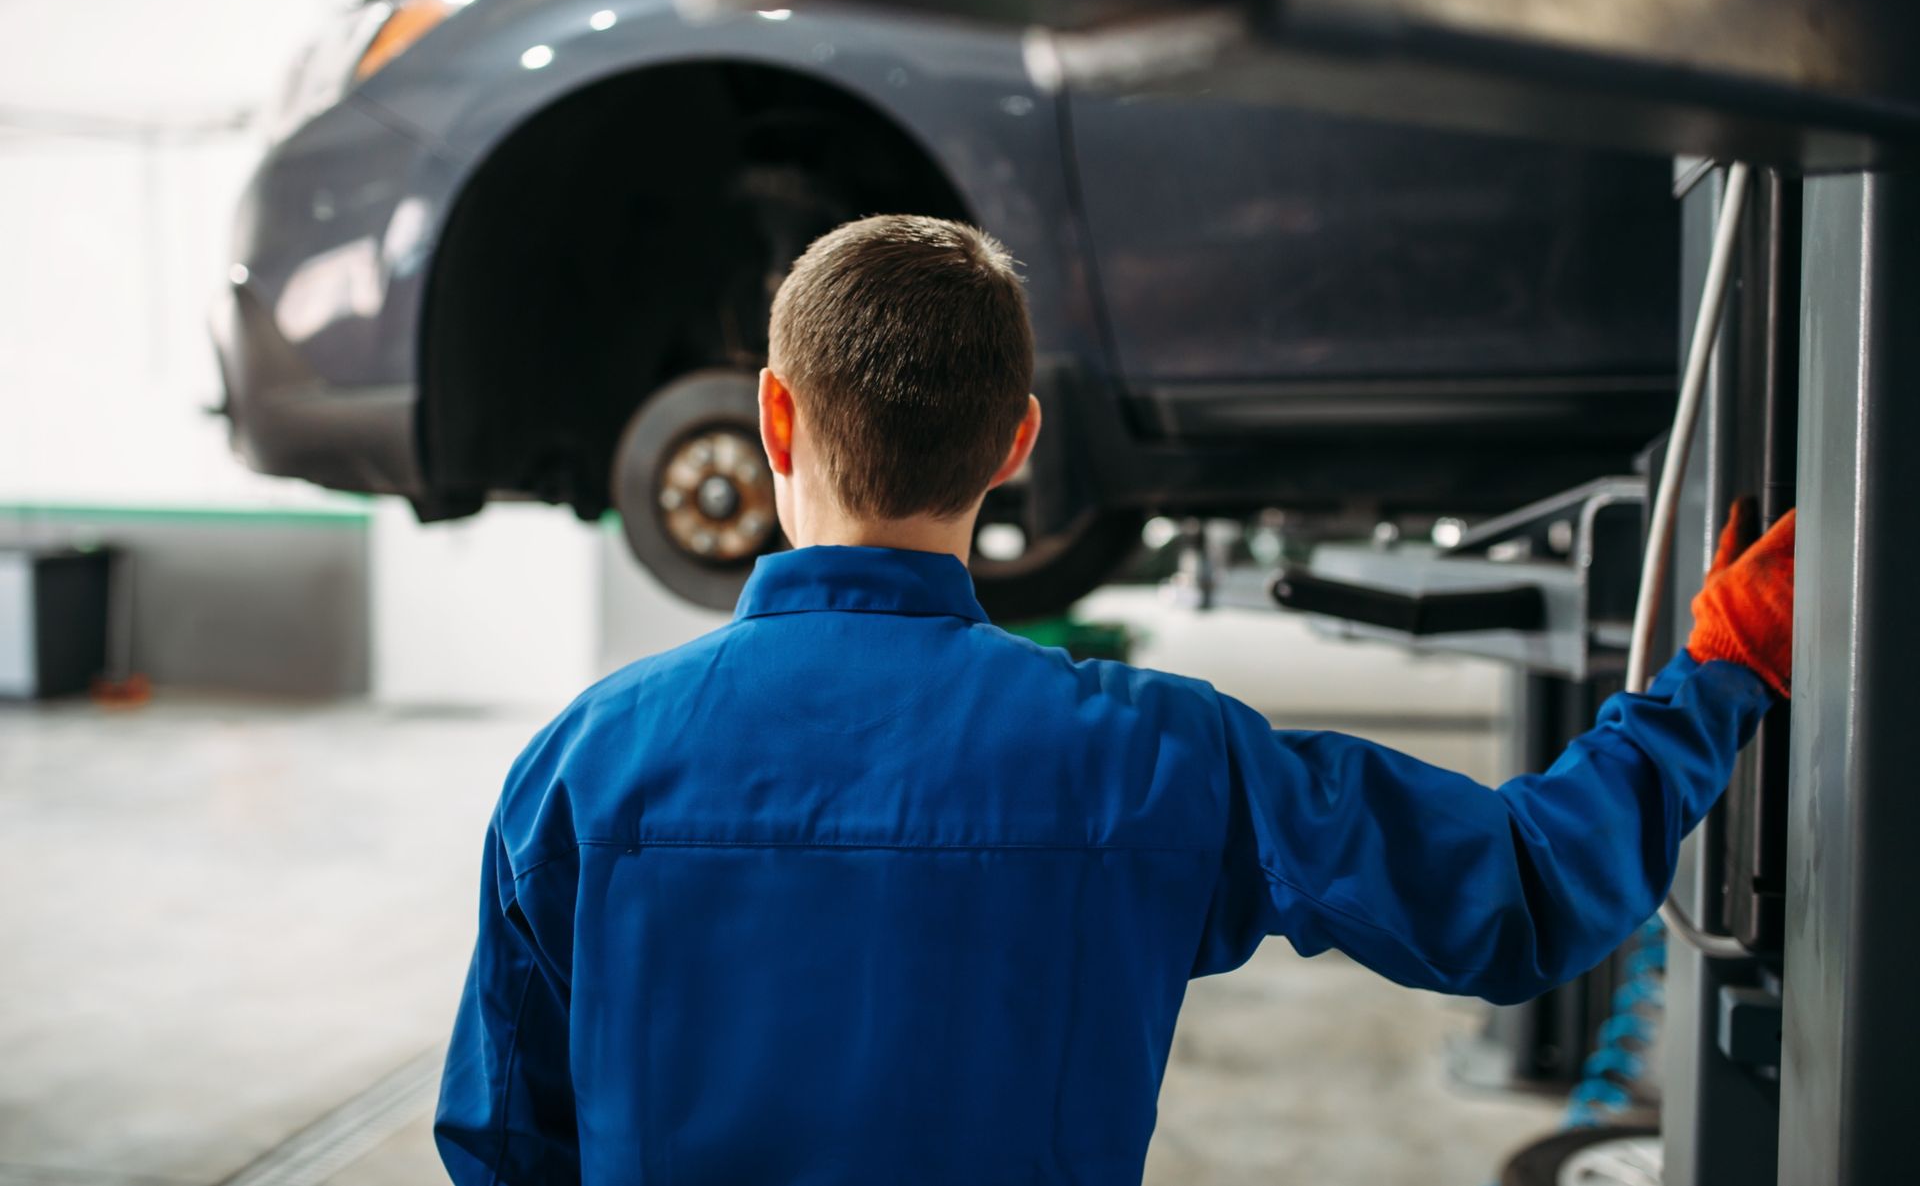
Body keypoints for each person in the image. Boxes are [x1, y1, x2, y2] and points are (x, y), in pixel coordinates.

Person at [434, 215, 1796, 1185]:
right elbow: (1519, 895)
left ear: (775, 421)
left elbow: (502, 1145)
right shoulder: (1158, 754)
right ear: (1020, 441)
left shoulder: (581, 769)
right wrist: (1717, 670)